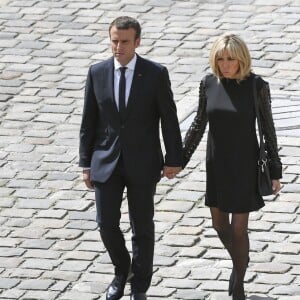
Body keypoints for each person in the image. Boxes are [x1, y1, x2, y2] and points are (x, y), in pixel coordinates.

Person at [79, 16, 182, 300]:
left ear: (137, 42)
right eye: (114, 40)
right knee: (106, 223)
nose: (118, 47)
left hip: (143, 162)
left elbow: (169, 119)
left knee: (142, 226)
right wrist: (85, 163)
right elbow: (89, 121)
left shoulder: (155, 73)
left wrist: (174, 157)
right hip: (106, 161)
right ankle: (122, 269)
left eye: (124, 41)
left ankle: (139, 287)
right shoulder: (97, 72)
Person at [182, 34, 282, 300]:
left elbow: (268, 130)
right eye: (221, 58)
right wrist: (179, 158)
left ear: (242, 59)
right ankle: (242, 260)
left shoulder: (256, 86)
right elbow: (198, 124)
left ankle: (238, 282)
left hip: (245, 164)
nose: (226, 64)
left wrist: (275, 171)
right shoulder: (208, 84)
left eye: (231, 59)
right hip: (217, 163)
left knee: (238, 228)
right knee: (218, 225)